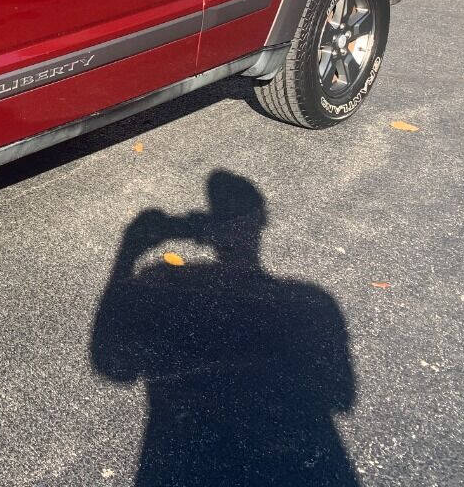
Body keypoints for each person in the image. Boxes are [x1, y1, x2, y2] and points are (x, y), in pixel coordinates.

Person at [92, 171, 359, 486]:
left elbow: (115, 365)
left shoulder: (162, 284)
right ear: (261, 225)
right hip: (291, 464)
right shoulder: (311, 303)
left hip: (184, 455)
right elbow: (341, 396)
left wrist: (128, 252)